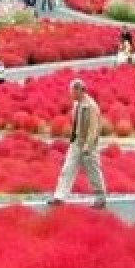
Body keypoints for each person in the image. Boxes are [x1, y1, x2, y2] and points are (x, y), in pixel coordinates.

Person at [49, 79, 107, 209]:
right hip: (76, 143)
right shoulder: (76, 104)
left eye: (73, 91)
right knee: (67, 169)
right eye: (71, 91)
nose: (71, 94)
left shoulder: (91, 106)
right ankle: (59, 197)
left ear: (81, 90)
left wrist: (88, 146)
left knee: (93, 172)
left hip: (89, 146)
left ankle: (100, 198)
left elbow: (94, 128)